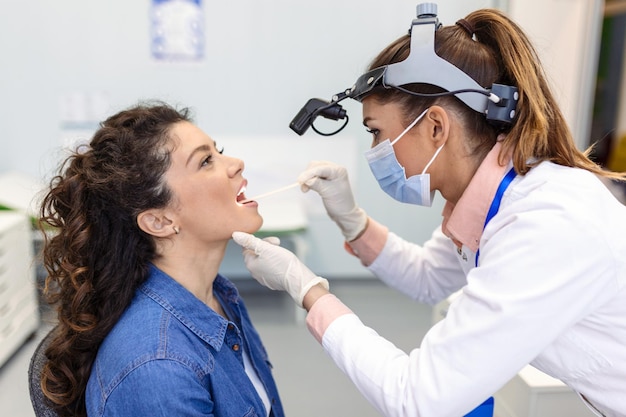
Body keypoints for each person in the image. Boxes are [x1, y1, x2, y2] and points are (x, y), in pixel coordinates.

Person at [231, 5, 626, 417]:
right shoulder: (491, 196)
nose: (374, 152)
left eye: (377, 133)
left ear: (435, 126)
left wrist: (307, 290)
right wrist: (351, 219)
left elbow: (417, 398)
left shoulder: (545, 225)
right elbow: (428, 276)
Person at [38, 101, 285, 417]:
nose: (236, 163)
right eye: (206, 161)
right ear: (160, 221)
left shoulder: (220, 296)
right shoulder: (158, 369)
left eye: (218, 150)